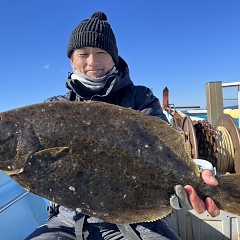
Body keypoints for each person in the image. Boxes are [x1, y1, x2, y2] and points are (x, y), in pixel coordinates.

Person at [26, 11, 219, 240]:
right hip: (70, 218)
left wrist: (198, 171)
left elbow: (165, 152)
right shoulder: (53, 108)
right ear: (71, 60)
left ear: (114, 57)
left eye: (100, 53)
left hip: (135, 218)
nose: (92, 61)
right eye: (83, 54)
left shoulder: (140, 98)